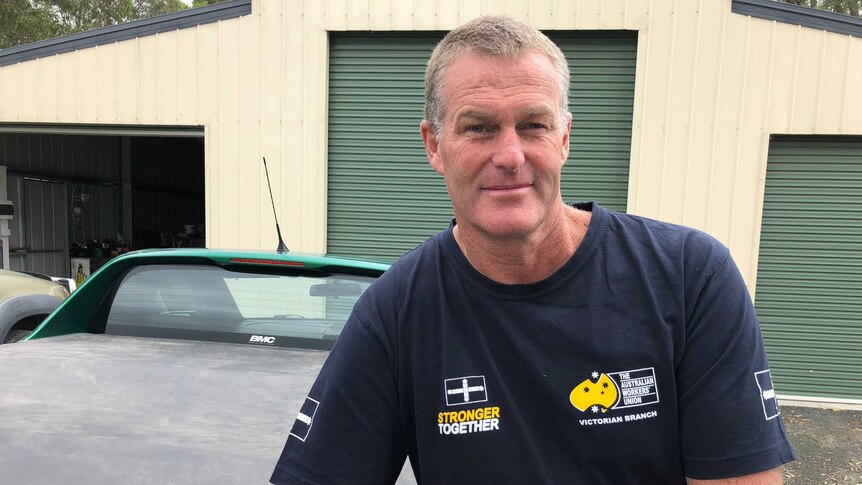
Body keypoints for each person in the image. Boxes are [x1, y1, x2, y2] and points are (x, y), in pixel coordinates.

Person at [271, 15, 795, 484]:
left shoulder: (688, 277)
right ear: (434, 145)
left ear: (564, 137)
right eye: (478, 128)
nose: (509, 155)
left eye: (533, 125)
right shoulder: (399, 311)